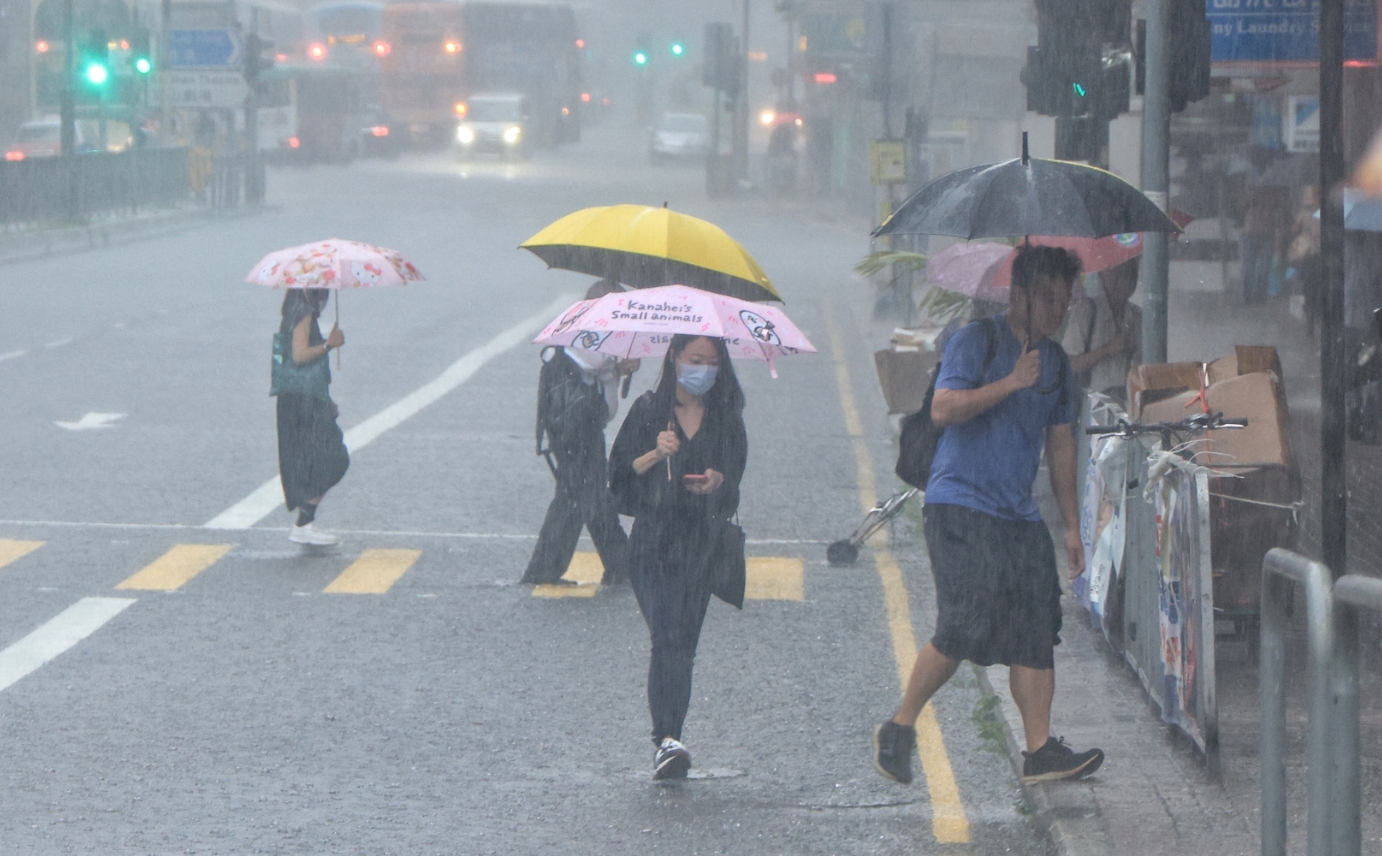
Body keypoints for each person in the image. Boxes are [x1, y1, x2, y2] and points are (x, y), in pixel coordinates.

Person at [872, 245, 1104, 786]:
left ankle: (1040, 750)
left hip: (1018, 513)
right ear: (1018, 294)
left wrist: (1071, 525)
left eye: (1064, 300)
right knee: (962, 625)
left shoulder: (1057, 364)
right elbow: (943, 409)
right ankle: (899, 727)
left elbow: (1061, 444)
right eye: (1047, 297)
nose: (1057, 310)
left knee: (1035, 625)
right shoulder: (976, 340)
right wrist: (1010, 382)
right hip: (959, 504)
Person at [609, 334, 748, 780]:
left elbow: (735, 481)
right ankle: (666, 738)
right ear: (674, 358)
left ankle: (673, 734)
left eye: (711, 362)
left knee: (683, 647)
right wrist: (655, 453)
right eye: (694, 359)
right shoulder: (650, 411)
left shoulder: (726, 418)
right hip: (653, 543)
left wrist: (716, 481)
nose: (702, 369)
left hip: (701, 545)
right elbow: (617, 481)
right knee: (666, 635)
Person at [522, 279, 639, 585]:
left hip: (577, 423)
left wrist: (620, 367)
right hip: (577, 425)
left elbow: (596, 369)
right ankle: (618, 566)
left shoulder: (594, 328)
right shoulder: (584, 327)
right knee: (589, 496)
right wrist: (621, 358)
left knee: (580, 496)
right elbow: (593, 358)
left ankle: (549, 569)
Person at [275, 288, 349, 546]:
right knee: (334, 457)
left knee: (311, 458)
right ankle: (303, 523)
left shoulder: (295, 307)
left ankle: (305, 521)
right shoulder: (304, 312)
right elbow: (299, 354)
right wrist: (330, 344)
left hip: (298, 396)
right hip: (303, 400)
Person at [1062, 257, 1142, 404]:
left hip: (1130, 401)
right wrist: (1107, 349)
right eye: (1118, 274)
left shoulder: (1138, 317)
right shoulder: (1087, 311)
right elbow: (1068, 365)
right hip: (1093, 405)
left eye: (1130, 274)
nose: (1124, 281)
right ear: (1103, 276)